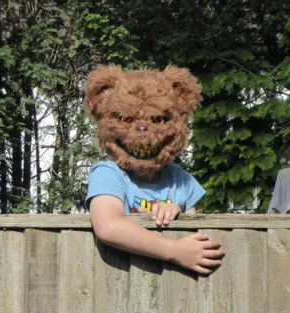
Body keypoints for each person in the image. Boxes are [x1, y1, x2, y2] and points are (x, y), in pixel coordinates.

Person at [84, 65, 225, 274]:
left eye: (158, 120)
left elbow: (197, 234)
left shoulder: (179, 178)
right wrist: (174, 250)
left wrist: (178, 211)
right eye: (126, 120)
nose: (143, 129)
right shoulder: (108, 173)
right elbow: (108, 226)